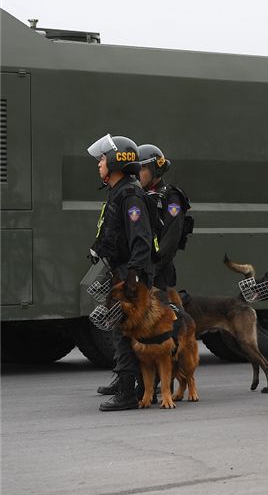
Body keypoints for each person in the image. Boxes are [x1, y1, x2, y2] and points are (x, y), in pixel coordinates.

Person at [86, 134, 154, 411]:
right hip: (121, 271)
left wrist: (133, 277)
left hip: (129, 274)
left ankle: (127, 393)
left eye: (102, 159)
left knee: (123, 332)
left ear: (116, 161)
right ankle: (136, 386)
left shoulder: (130, 195)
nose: (99, 164)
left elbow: (141, 239)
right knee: (122, 330)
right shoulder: (119, 191)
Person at [136, 144, 191, 289]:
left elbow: (170, 240)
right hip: (137, 271)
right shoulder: (139, 196)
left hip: (158, 276)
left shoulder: (171, 198)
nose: (137, 174)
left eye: (142, 169)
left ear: (156, 170)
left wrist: (151, 271)